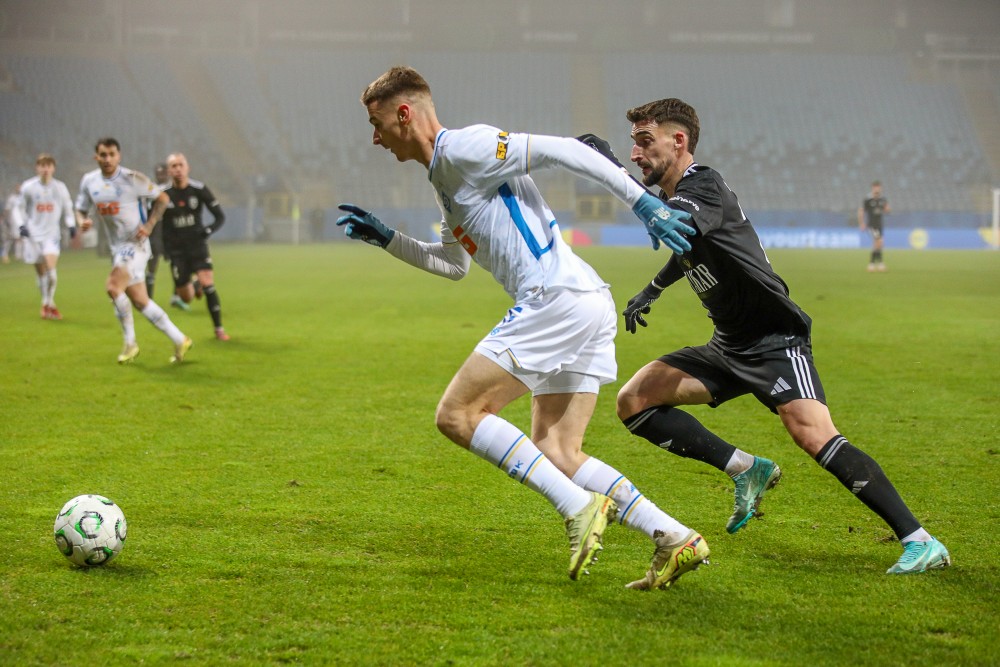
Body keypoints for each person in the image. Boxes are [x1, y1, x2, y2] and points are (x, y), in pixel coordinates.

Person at [336, 66, 706, 589]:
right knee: (558, 452)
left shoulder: (465, 147)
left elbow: (566, 150)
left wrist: (642, 202)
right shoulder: (444, 176)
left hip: (554, 299)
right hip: (583, 300)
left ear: (403, 114)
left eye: (376, 124)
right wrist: (388, 239)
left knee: (457, 415)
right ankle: (674, 536)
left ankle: (578, 507)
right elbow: (453, 264)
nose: (375, 138)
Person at [605, 98, 948, 574]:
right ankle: (746, 468)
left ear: (678, 140)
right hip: (728, 344)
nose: (636, 153)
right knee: (634, 400)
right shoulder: (680, 197)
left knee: (813, 434)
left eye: (645, 142)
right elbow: (688, 244)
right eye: (633, 145)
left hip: (774, 341)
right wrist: (654, 288)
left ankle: (921, 541)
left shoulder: (702, 184)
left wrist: (610, 171)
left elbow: (677, 224)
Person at [75, 138, 192, 364]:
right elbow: (80, 209)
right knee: (140, 301)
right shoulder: (89, 181)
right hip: (116, 248)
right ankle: (180, 339)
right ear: (96, 157)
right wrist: (82, 221)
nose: (107, 159)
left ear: (118, 156)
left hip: (135, 245)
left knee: (113, 287)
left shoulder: (132, 178)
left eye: (112, 154)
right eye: (103, 154)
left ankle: (130, 343)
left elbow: (163, 198)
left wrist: (149, 225)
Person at [161, 152, 230, 341]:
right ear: (169, 171)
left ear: (187, 168)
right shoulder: (163, 195)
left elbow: (220, 216)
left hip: (197, 246)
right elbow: (157, 223)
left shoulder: (199, 189)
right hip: (177, 251)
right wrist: (164, 248)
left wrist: (208, 231)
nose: (178, 169)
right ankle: (195, 283)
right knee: (186, 297)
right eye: (173, 166)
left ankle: (219, 329)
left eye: (181, 165)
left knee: (209, 284)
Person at [17, 154, 78, 320]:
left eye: (49, 165)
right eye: (42, 165)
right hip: (33, 236)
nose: (45, 169)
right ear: (37, 168)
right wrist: (21, 225)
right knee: (41, 273)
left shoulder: (60, 187)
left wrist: (71, 224)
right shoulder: (28, 187)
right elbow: (19, 208)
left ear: (53, 168)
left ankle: (47, 303)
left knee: (51, 271)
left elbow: (68, 207)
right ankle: (49, 305)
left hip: (52, 235)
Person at [144, 162, 169, 300]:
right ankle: (148, 299)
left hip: (171, 231)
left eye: (163, 173)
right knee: (152, 264)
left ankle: (178, 295)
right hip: (156, 231)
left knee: (179, 262)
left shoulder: (172, 188)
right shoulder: (150, 189)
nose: (161, 176)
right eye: (158, 174)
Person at [858, 180, 890, 272]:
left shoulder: (883, 199)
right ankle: (877, 263)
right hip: (871, 225)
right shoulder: (868, 199)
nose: (877, 189)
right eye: (875, 187)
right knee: (879, 241)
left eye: (878, 187)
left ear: (880, 188)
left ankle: (874, 264)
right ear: (872, 188)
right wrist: (861, 223)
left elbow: (887, 210)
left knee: (878, 244)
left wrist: (887, 209)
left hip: (880, 224)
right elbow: (861, 211)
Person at [2, 184, 24, 264]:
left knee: (20, 238)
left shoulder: (23, 198)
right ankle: (4, 254)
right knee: (10, 238)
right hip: (12, 222)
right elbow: (7, 209)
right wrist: (4, 219)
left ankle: (18, 256)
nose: (19, 189)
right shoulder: (12, 198)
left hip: (21, 221)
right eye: (17, 188)